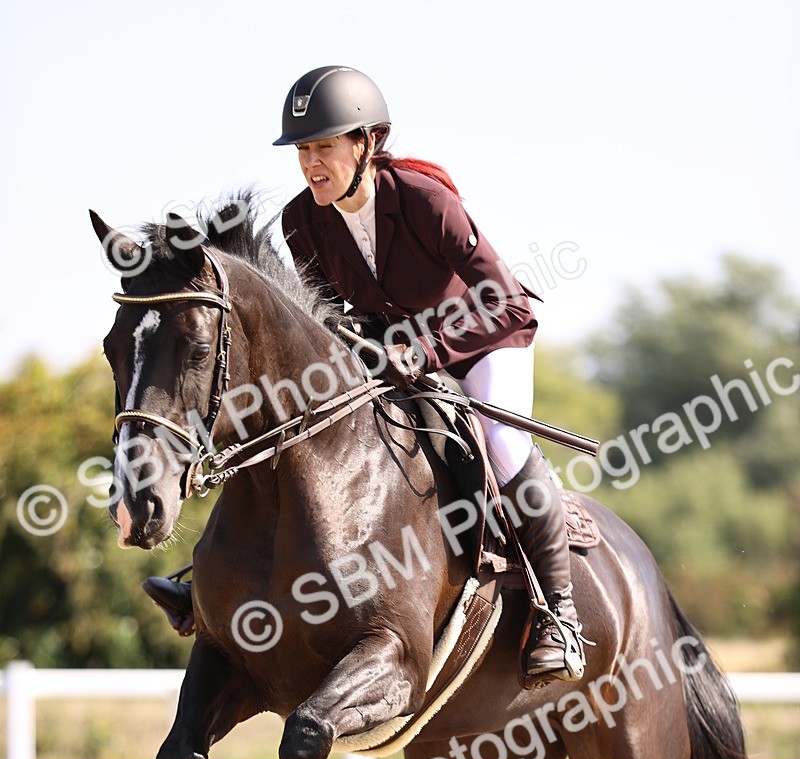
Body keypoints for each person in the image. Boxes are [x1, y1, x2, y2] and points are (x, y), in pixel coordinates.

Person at [145, 65, 584, 682]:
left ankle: (558, 616)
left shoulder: (426, 201)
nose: (311, 163)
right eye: (302, 150)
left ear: (367, 144)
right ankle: (216, 585)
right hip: (396, 348)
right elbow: (336, 313)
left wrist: (425, 349)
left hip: (483, 338)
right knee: (296, 421)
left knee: (502, 445)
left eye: (324, 146)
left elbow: (506, 300)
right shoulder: (303, 220)